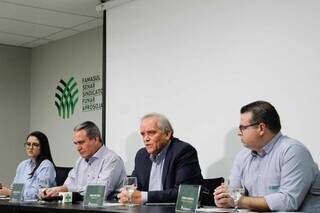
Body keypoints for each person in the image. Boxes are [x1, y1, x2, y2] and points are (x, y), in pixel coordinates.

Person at [214, 101, 320, 212]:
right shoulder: (243, 155)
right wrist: (223, 198)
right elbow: (233, 192)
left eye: (243, 128)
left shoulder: (293, 151)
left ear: (261, 128)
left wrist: (238, 200)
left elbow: (288, 202)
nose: (239, 133)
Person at [119, 113, 203, 204]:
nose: (146, 139)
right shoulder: (141, 155)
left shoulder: (183, 152)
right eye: (143, 134)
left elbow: (185, 193)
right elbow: (134, 186)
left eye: (151, 133)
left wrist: (143, 197)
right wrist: (126, 194)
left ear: (167, 134)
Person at [39, 121, 126, 199]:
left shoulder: (112, 159)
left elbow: (99, 192)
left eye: (81, 142)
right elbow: (68, 185)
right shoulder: (80, 161)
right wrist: (53, 192)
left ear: (96, 139)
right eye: (75, 143)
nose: (78, 148)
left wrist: (66, 189)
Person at [0, 131, 56, 200]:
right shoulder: (22, 165)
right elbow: (15, 188)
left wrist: (11, 193)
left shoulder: (46, 166)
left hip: (36, 207)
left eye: (35, 145)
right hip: (18, 204)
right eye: (28, 144)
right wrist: (5, 190)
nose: (30, 147)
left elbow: (38, 194)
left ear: (42, 147)